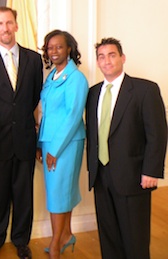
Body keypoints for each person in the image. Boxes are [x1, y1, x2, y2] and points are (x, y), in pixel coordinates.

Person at [86, 37, 167, 259]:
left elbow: (157, 134)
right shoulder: (93, 93)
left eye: (112, 55)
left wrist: (151, 170)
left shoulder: (145, 90)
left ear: (122, 58)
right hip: (100, 174)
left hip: (133, 175)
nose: (106, 61)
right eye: (101, 57)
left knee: (135, 238)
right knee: (108, 235)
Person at [0, 6, 43, 259]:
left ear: (16, 26)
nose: (5, 28)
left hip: (24, 139)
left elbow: (34, 97)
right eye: (0, 24)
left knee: (24, 195)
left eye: (9, 23)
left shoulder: (34, 60)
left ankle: (21, 241)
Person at [37, 30, 88, 259]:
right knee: (60, 192)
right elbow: (46, 114)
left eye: (59, 47)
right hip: (49, 142)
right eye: (50, 47)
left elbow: (73, 116)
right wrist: (41, 144)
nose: (54, 51)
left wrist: (54, 149)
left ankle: (56, 242)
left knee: (59, 193)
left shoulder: (76, 78)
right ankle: (66, 234)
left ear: (69, 49)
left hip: (66, 144)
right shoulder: (52, 77)